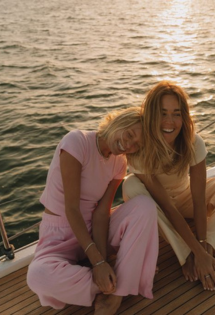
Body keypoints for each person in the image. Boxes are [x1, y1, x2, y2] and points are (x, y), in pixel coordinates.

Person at [27, 107, 159, 315]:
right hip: (59, 235)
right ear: (119, 121)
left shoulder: (120, 163)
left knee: (145, 206)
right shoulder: (76, 142)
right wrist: (98, 263)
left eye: (136, 145)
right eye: (130, 134)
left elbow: (101, 214)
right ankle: (120, 279)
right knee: (37, 276)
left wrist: (102, 261)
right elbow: (71, 209)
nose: (128, 145)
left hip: (93, 230)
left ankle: (115, 292)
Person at [123, 81, 215, 292]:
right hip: (156, 211)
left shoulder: (193, 143)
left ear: (184, 116)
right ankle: (186, 256)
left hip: (184, 199)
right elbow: (166, 207)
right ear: (151, 115)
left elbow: (199, 199)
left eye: (176, 113)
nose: (169, 121)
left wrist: (203, 246)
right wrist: (194, 252)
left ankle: (210, 248)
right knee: (130, 186)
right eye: (162, 113)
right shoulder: (139, 150)